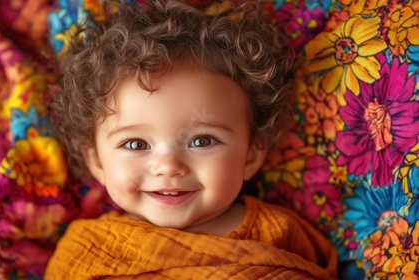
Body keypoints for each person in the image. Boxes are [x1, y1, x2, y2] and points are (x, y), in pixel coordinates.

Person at [45, 0, 338, 278]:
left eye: (202, 141)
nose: (168, 166)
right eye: (136, 144)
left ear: (251, 154)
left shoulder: (280, 233)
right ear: (96, 160)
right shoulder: (88, 250)